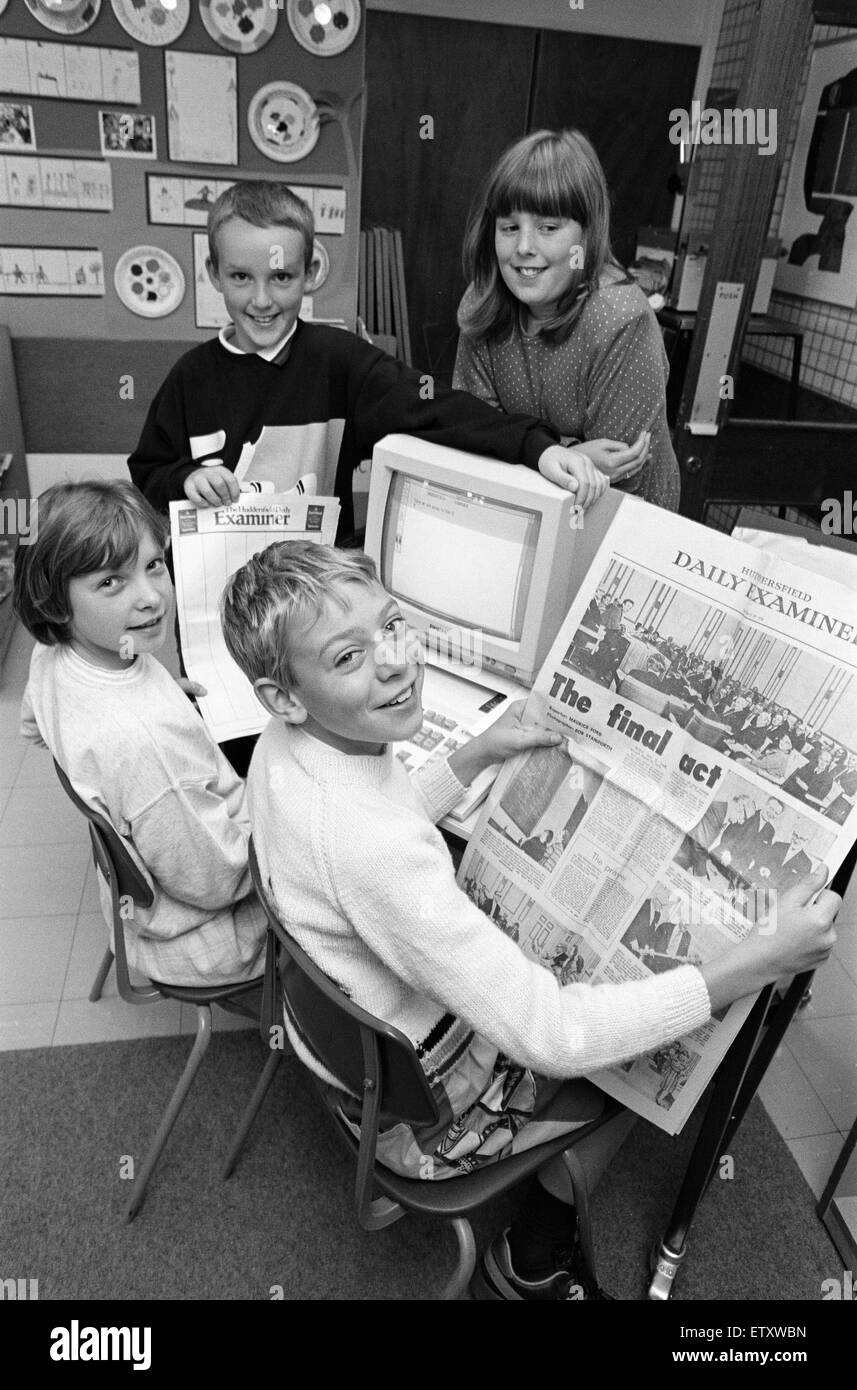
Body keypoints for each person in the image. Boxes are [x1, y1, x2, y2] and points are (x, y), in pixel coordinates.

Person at [220, 538, 841, 1301]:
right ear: (283, 697)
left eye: (391, 625)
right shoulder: (371, 849)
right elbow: (553, 1037)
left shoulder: (282, 753)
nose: (394, 661)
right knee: (642, 1053)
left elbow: (366, 834)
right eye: (348, 658)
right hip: (423, 1125)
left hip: (351, 1068)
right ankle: (531, 1256)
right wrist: (755, 964)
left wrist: (475, 755)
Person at [128, 179, 602, 774]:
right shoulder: (189, 380)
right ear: (213, 273)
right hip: (218, 625)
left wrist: (535, 447)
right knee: (236, 759)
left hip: (318, 628)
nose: (262, 298)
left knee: (315, 755)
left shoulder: (338, 362)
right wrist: (182, 478)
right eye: (241, 278)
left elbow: (432, 408)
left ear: (312, 271)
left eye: (283, 278)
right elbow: (146, 472)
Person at [12, 481, 266, 988]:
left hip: (140, 905)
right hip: (211, 938)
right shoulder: (145, 748)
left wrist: (154, 689)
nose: (153, 597)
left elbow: (33, 727)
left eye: (154, 564)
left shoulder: (54, 655)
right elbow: (218, 882)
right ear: (55, 603)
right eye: (111, 582)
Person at [453, 128, 680, 510]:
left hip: (622, 523)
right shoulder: (482, 301)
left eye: (548, 228)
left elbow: (614, 475)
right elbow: (472, 435)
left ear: (586, 236)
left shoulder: (620, 318)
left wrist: (526, 449)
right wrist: (570, 454)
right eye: (510, 227)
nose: (524, 247)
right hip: (518, 511)